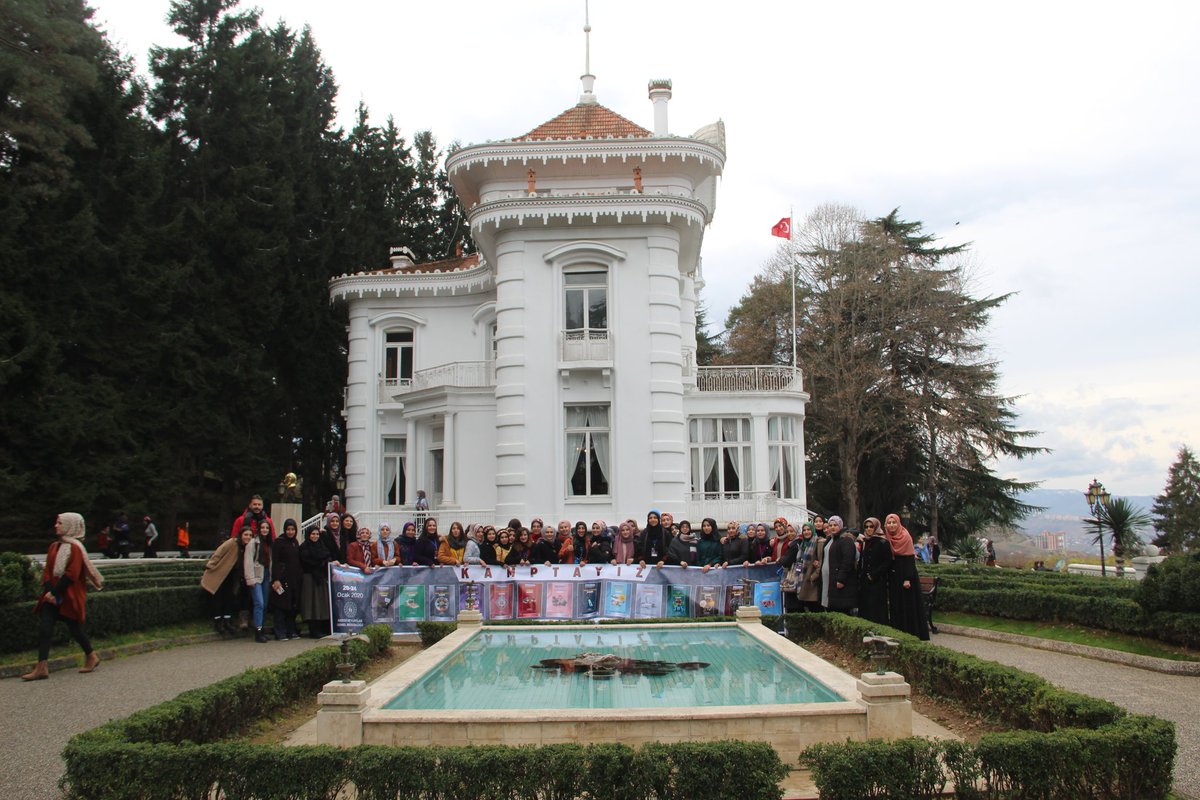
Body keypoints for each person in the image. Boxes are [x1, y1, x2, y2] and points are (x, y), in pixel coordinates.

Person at [23, 513, 101, 680]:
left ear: (69, 526)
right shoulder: (54, 547)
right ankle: (42, 667)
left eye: (59, 523)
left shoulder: (76, 548)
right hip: (52, 596)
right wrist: (49, 591)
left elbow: (71, 574)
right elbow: (47, 572)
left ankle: (91, 656)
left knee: (75, 629)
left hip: (69, 596)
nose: (56, 526)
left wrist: (54, 593)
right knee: (45, 628)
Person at [884, 513, 930, 640]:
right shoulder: (888, 538)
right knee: (896, 605)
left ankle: (911, 632)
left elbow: (910, 559)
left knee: (907, 605)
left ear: (898, 523)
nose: (891, 525)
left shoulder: (905, 537)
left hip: (906, 577)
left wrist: (907, 578)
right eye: (889, 523)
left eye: (894, 522)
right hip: (894, 576)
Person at [201, 526, 250, 637]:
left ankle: (227, 621)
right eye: (245, 534)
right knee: (218, 597)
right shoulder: (232, 543)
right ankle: (218, 622)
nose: (247, 537)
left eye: (250, 535)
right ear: (241, 535)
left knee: (229, 597)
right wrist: (211, 565)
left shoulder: (246, 547)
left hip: (233, 576)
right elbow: (219, 552)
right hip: (221, 573)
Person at [269, 519, 303, 640]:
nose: (290, 532)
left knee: (292, 606)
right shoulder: (279, 542)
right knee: (280, 606)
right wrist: (276, 579)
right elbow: (276, 561)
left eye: (293, 529)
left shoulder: (295, 542)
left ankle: (291, 630)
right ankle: (280, 631)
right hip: (282, 578)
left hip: (294, 579)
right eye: (288, 529)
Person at [298, 525, 332, 638]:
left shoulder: (321, 546)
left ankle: (321, 628)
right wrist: (320, 562)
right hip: (309, 577)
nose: (315, 536)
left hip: (320, 577)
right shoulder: (304, 547)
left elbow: (327, 556)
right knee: (311, 604)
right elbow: (308, 561)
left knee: (321, 604)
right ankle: (313, 629)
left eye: (317, 534)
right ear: (308, 535)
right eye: (313, 534)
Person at [857, 517, 891, 625]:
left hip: (877, 580)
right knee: (865, 606)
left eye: (871, 526)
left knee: (876, 608)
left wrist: (875, 574)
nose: (868, 529)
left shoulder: (883, 542)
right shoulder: (865, 542)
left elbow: (887, 561)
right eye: (866, 527)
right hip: (865, 581)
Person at [824, 516, 858, 613]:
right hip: (832, 580)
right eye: (830, 525)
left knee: (842, 610)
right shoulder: (832, 540)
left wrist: (841, 579)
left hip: (841, 582)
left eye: (835, 525)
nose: (832, 527)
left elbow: (847, 561)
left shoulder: (845, 540)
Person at [242, 523, 270, 643]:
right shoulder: (253, 543)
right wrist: (250, 579)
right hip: (256, 576)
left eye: (267, 528)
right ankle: (257, 630)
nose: (265, 530)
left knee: (265, 604)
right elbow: (248, 561)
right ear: (259, 529)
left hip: (266, 575)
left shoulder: (269, 543)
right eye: (263, 528)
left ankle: (261, 628)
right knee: (259, 603)